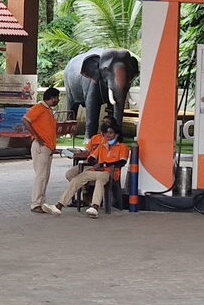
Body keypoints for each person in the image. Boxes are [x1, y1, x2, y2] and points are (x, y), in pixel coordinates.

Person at [61, 120, 130, 218]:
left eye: (111, 133)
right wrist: (95, 164)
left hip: (109, 173)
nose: (108, 135)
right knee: (77, 179)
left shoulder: (122, 147)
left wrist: (104, 165)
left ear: (117, 134)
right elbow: (91, 158)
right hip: (96, 170)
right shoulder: (101, 146)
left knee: (100, 180)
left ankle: (95, 206)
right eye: (106, 133)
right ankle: (60, 204)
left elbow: (122, 162)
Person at [22, 87, 62, 215]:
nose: (58, 100)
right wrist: (36, 136)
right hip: (41, 146)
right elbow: (25, 120)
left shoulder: (48, 110)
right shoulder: (39, 107)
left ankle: (41, 202)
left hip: (47, 147)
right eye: (57, 98)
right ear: (52, 98)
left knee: (45, 176)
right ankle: (36, 203)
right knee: (41, 176)